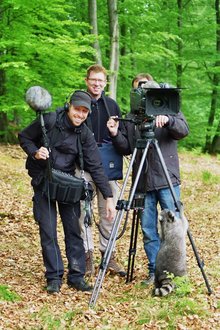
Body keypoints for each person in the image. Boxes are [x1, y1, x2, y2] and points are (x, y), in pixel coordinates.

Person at [18, 89, 116, 294]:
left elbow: (96, 166)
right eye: (77, 110)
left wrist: (108, 196)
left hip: (67, 184)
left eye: (84, 112)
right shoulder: (50, 119)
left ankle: (76, 275)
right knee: (48, 229)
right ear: (69, 106)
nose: (80, 115)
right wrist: (35, 152)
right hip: (43, 181)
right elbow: (24, 136)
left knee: (73, 230)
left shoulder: (85, 134)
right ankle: (54, 276)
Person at [107, 73, 189, 285]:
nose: (143, 93)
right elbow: (127, 148)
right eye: (138, 90)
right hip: (142, 181)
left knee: (174, 228)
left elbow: (183, 131)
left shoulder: (168, 107)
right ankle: (155, 272)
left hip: (167, 178)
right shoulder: (132, 117)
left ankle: (175, 274)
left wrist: (169, 120)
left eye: (146, 89)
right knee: (148, 229)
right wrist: (116, 133)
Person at [79, 64, 126, 277]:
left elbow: (123, 142)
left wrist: (115, 132)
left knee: (109, 213)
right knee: (83, 213)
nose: (97, 84)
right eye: (93, 80)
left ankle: (108, 256)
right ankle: (87, 256)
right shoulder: (79, 104)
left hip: (108, 168)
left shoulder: (112, 106)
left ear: (105, 83)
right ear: (87, 81)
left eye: (100, 80)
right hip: (84, 168)